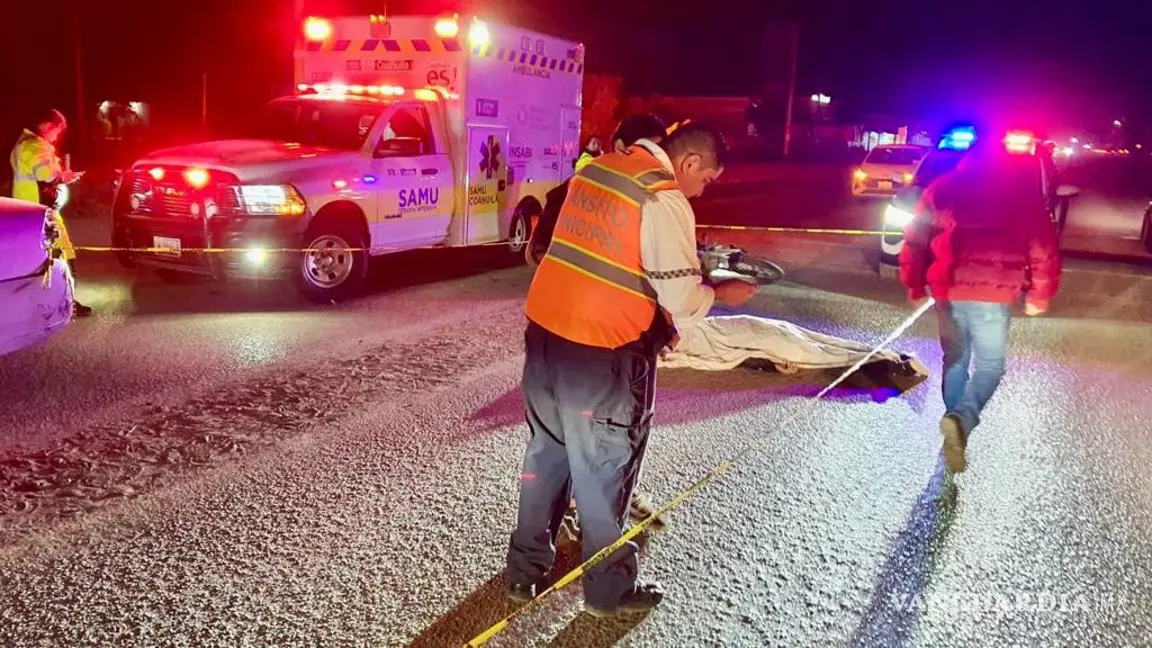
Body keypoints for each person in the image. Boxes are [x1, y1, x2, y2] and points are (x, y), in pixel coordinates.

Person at [505, 122, 756, 617]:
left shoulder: (597, 172)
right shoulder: (662, 198)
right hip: (604, 350)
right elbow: (682, 300)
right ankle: (607, 592)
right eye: (705, 179)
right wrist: (720, 292)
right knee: (604, 472)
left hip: (546, 335)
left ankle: (523, 573)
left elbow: (606, 255)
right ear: (688, 164)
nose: (702, 190)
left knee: (547, 457)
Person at [900, 137, 1061, 474]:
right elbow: (1043, 247)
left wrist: (914, 282)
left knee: (955, 360)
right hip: (995, 294)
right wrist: (1039, 295)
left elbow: (915, 236)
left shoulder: (943, 188)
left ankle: (953, 425)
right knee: (990, 366)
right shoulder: (1021, 192)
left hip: (950, 289)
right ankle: (960, 421)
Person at [10, 109, 91, 317]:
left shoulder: (24, 143)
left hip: (33, 213)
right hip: (42, 216)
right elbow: (46, 174)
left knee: (44, 259)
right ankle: (64, 304)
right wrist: (63, 176)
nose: (58, 135)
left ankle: (54, 303)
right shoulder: (34, 146)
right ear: (47, 126)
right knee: (60, 257)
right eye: (58, 130)